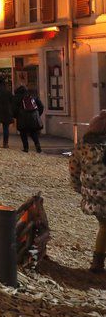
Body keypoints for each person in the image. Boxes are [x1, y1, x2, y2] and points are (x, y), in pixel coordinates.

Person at [71, 110, 106, 273]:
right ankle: (97, 263)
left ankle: (97, 263)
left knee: (104, 226)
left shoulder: (82, 146)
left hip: (93, 196)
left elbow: (74, 169)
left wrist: (79, 188)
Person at [12, 85, 45, 153]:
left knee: (23, 133)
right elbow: (41, 106)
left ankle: (26, 148)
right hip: (33, 117)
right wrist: (38, 114)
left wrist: (16, 116)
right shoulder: (33, 96)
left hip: (22, 118)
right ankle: (37, 146)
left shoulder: (17, 97)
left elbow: (13, 109)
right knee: (33, 132)